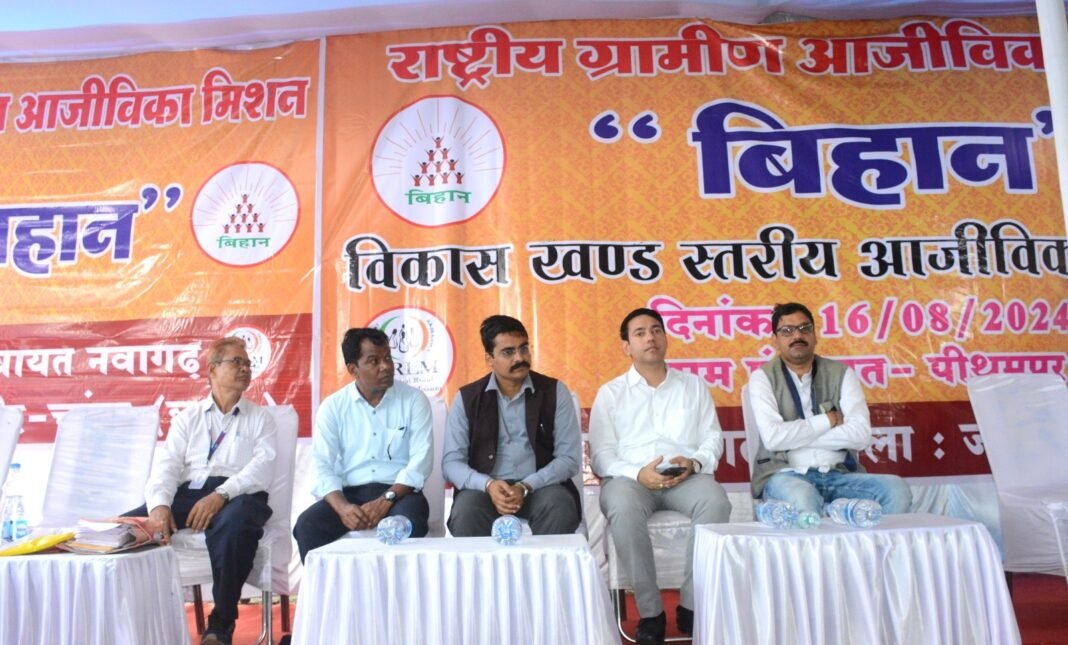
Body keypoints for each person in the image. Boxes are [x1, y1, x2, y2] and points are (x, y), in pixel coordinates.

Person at [589, 307, 731, 644]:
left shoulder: (693, 386)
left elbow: (713, 437)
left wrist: (694, 463)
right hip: (630, 481)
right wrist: (639, 473)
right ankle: (651, 612)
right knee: (622, 508)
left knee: (716, 502)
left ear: (666, 338)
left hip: (686, 477)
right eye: (639, 333)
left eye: (656, 330)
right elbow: (601, 455)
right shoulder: (611, 393)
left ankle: (692, 605)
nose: (650, 338)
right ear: (626, 346)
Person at [126, 337, 277, 645]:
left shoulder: (261, 419)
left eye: (248, 364)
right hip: (190, 493)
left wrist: (221, 494)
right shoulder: (188, 418)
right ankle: (129, 623)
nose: (245, 369)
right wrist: (159, 506)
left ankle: (221, 624)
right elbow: (167, 465)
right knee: (126, 530)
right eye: (237, 362)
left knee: (235, 525)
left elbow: (262, 469)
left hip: (240, 494)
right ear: (212, 369)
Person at [748, 302, 912, 516]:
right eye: (787, 331)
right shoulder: (762, 377)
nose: (797, 336)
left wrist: (792, 438)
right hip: (786, 475)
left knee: (896, 490)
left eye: (805, 328)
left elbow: (860, 435)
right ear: (775, 339)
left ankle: (869, 540)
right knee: (803, 497)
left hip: (840, 475)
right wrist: (827, 421)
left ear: (815, 335)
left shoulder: (842, 374)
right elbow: (773, 439)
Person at [292, 328, 433, 561]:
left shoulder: (414, 400)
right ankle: (333, 587)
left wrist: (386, 500)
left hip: (400, 493)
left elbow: (421, 461)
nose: (386, 366)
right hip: (350, 495)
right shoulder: (333, 407)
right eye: (374, 361)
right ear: (353, 369)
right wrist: (342, 508)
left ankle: (396, 586)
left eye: (388, 357)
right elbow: (321, 465)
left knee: (408, 523)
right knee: (307, 525)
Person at [442, 315, 582, 536]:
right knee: (466, 512)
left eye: (524, 349)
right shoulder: (468, 398)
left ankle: (544, 562)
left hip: (540, 487)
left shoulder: (554, 392)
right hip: (485, 490)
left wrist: (525, 486)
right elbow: (451, 463)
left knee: (559, 505)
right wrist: (488, 485)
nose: (520, 358)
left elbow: (569, 459)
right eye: (508, 352)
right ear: (489, 359)